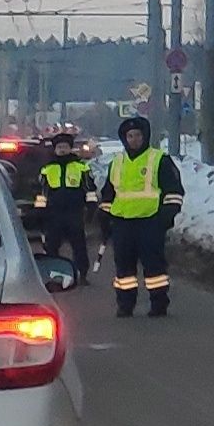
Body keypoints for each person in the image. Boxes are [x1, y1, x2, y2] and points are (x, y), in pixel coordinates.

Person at [102, 115, 184, 317]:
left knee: (154, 266)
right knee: (124, 269)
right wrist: (104, 218)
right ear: (124, 138)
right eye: (130, 136)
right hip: (123, 223)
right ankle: (125, 305)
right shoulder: (117, 163)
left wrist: (164, 218)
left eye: (138, 135)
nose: (134, 139)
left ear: (145, 136)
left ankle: (158, 304)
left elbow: (174, 192)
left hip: (150, 222)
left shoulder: (159, 160)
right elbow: (108, 194)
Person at [33, 132, 96, 286]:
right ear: (55, 149)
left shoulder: (81, 167)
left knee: (79, 245)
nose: (62, 150)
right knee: (52, 246)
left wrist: (91, 207)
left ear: (70, 148)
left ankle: (82, 274)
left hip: (74, 212)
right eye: (59, 147)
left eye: (65, 147)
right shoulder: (47, 169)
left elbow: (89, 188)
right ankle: (53, 275)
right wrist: (40, 212)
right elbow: (41, 191)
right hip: (54, 213)